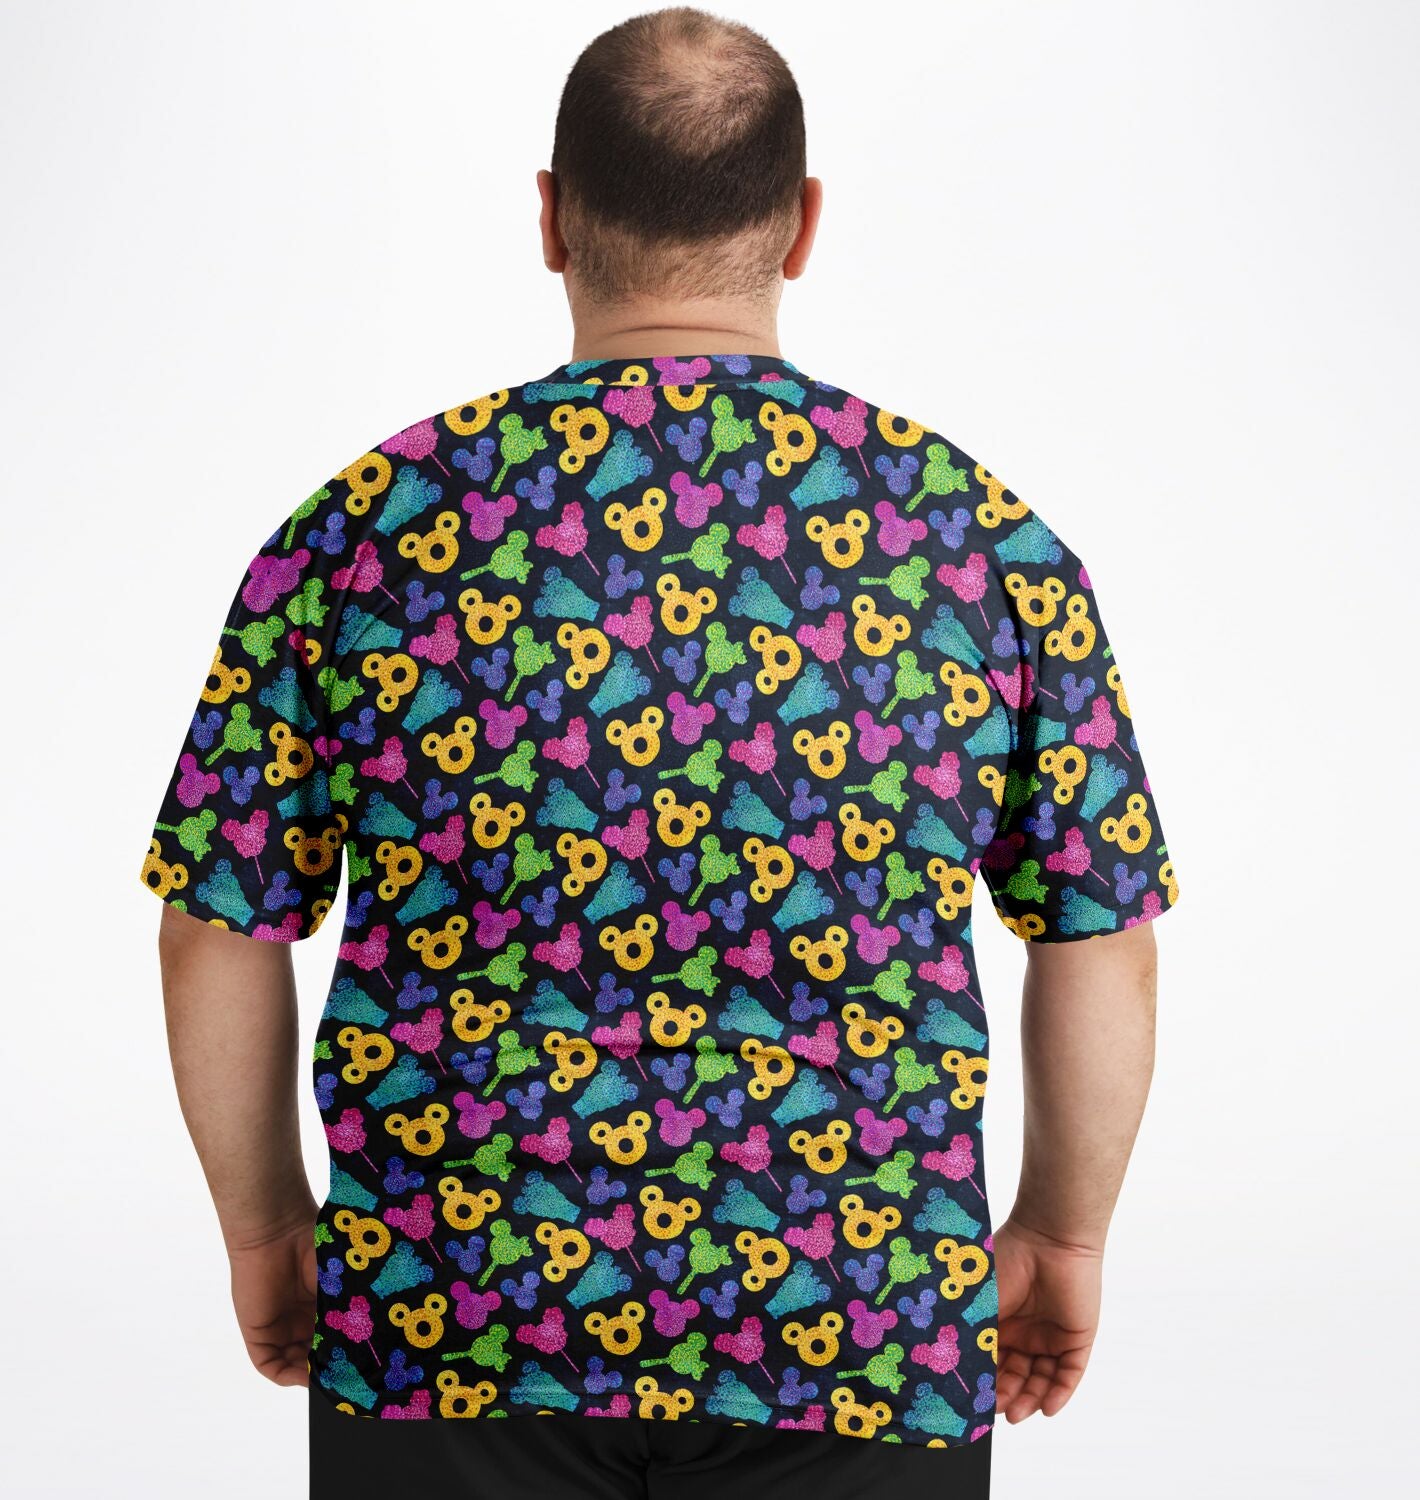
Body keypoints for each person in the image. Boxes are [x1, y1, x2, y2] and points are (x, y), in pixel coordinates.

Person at [140, 8, 1175, 1496]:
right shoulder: (980, 545)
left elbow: (218, 919)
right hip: (859, 1320)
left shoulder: (366, 531)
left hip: (450, 1307)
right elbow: (1100, 935)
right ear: (802, 224)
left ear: (553, 218)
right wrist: (1063, 1234)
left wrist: (267, 1230)